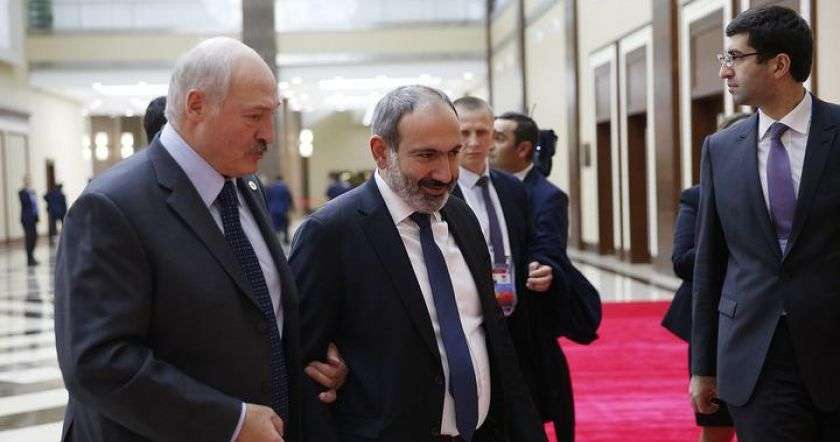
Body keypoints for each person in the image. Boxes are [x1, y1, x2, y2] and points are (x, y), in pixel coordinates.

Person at [54, 37, 346, 442]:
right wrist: (230, 422)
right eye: (254, 116)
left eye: (272, 116)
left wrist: (312, 362)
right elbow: (97, 363)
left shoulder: (245, 187)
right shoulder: (111, 206)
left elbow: (258, 314)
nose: (269, 135)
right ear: (196, 106)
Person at [289, 85, 547, 441]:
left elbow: (490, 336)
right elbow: (302, 364)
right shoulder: (330, 234)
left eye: (453, 153)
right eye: (426, 155)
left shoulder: (462, 218)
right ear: (381, 152)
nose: (445, 173)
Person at [691, 6, 840, 441]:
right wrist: (702, 366)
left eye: (735, 57)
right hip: (756, 355)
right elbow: (710, 262)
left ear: (779, 64)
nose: (725, 71)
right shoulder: (720, 149)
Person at [662, 113, 750, 442]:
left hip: (765, 317)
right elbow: (682, 262)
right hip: (715, 323)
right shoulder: (696, 197)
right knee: (717, 425)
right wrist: (730, 240)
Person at [491, 111, 576, 441]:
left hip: (527, 317)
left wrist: (542, 267)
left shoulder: (545, 195)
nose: (487, 145)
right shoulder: (485, 187)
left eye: (497, 137)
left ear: (523, 149)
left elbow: (550, 249)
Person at [265, 175, 294, 244]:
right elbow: (289, 198)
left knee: (274, 224)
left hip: (272, 209)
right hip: (283, 209)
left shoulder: (270, 187)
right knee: (285, 223)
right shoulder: (284, 187)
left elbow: (267, 197)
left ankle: (275, 240)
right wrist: (291, 207)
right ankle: (285, 239)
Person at [18, 174, 39, 266]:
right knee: (29, 238)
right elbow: (26, 203)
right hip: (26, 219)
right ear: (24, 181)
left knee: (34, 237)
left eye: (29, 180)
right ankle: (29, 259)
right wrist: (29, 193)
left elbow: (35, 205)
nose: (28, 182)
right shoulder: (21, 192)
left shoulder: (33, 192)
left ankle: (32, 256)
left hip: (33, 218)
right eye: (27, 180)